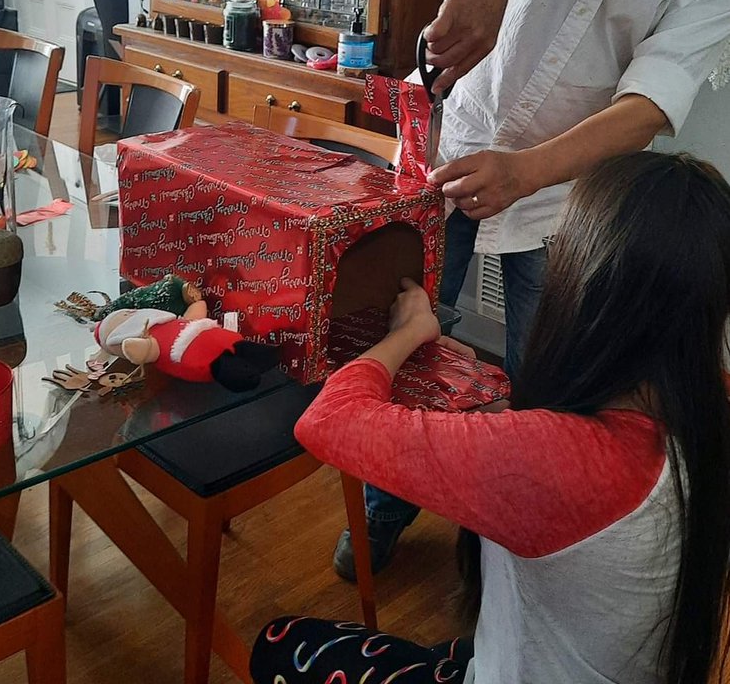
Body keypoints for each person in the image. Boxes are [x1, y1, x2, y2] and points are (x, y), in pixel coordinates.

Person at [334, 0, 730, 580]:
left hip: (564, 199)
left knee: (549, 383)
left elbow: (650, 102)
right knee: (405, 339)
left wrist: (528, 171)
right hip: (447, 146)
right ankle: (382, 510)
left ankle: (504, 549)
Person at [252, 151, 730, 684]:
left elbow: (328, 419)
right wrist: (480, 394)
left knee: (280, 642)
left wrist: (407, 334)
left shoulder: (556, 460)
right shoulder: (699, 419)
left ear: (587, 287)